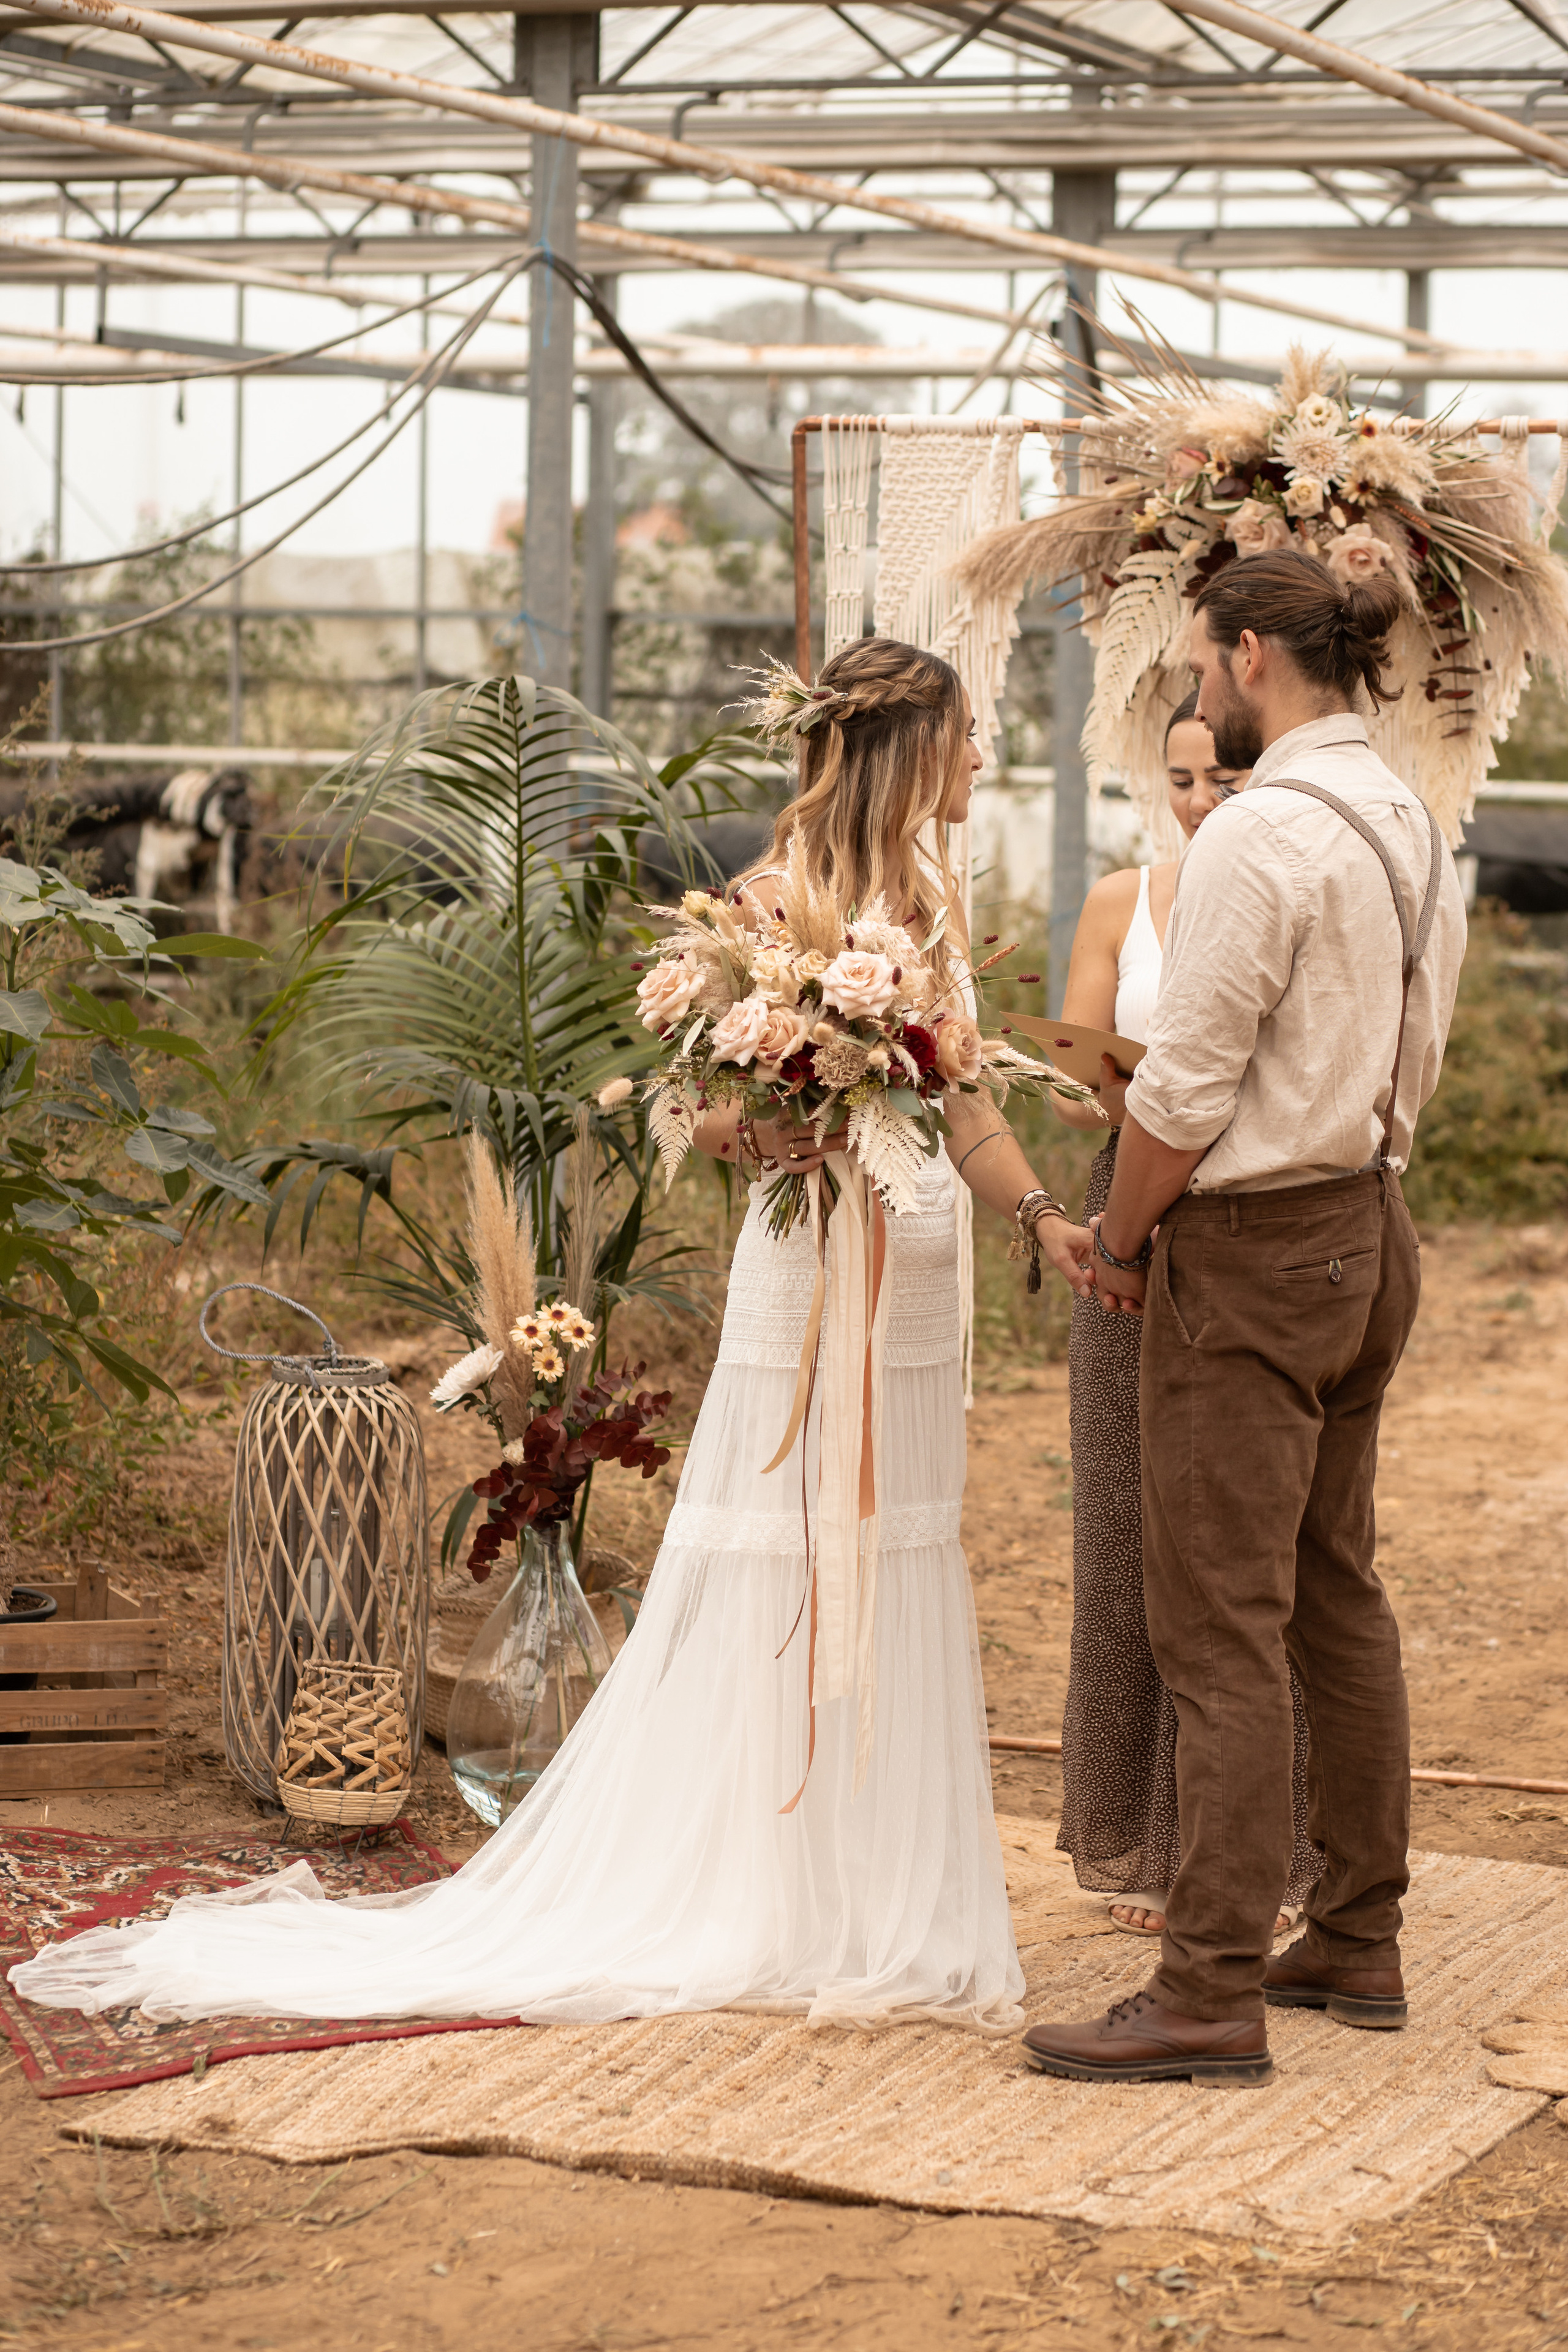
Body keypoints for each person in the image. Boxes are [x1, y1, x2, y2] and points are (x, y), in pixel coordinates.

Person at [11, 638, 1094, 2040]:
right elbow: (678, 1104)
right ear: (898, 749)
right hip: (806, 1271)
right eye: (963, 735)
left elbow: (971, 1111)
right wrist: (751, 1123)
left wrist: (1044, 1218)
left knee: (897, 1540)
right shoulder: (765, 906)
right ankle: (767, 1883)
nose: (980, 757)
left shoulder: (932, 917)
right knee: (781, 1538)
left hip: (916, 1283)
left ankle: (875, 1895)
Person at [1020, 548, 1466, 2089]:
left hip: (1253, 1250)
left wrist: (1122, 1235)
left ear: (1257, 651)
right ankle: (1355, 1929)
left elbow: (1186, 1082)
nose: (1199, 686)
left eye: (1206, 659)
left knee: (1214, 1622)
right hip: (1367, 1226)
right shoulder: (1405, 815)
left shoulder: (1258, 833)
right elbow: (1416, 1039)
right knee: (1332, 1589)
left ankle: (1204, 1986)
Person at [1050, 695, 1321, 1940]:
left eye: (1217, 776)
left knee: (1238, 1538)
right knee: (1123, 1519)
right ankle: (1143, 1840)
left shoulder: (1287, 885)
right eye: (1177, 779)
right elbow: (1072, 1087)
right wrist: (1099, 1085)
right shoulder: (1121, 901)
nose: (1197, 799)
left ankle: (1247, 1852)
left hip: (1249, 1210)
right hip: (1130, 1201)